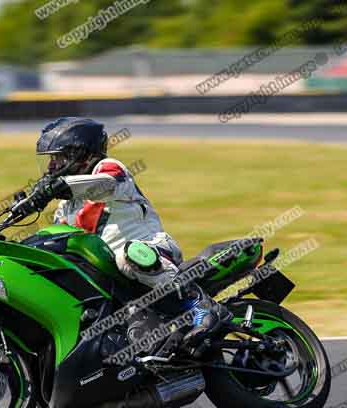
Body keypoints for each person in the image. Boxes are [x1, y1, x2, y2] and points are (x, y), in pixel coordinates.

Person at [28, 117, 231, 348]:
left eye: (58, 158)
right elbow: (56, 238)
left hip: (151, 251)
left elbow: (104, 184)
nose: (52, 166)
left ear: (81, 154)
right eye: (51, 159)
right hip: (108, 273)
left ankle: (202, 307)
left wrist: (60, 186)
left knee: (128, 256)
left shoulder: (108, 169)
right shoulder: (67, 206)